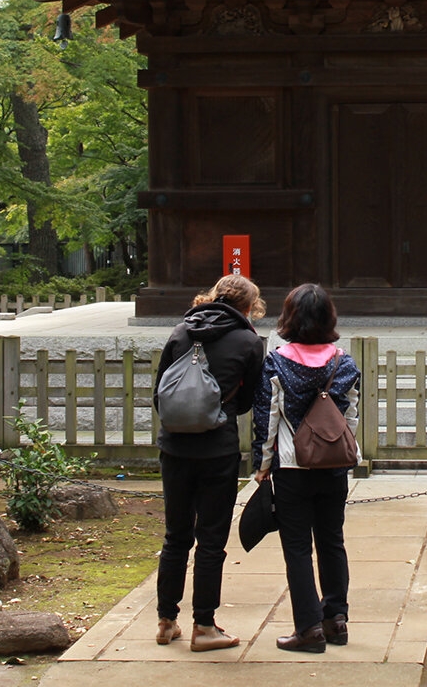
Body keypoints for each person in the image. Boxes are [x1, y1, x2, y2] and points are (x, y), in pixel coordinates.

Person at [154, 273, 265, 652]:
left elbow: (160, 391)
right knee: (211, 539)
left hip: (174, 446)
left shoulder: (181, 331)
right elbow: (249, 398)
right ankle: (204, 625)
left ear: (213, 296)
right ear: (249, 307)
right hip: (217, 447)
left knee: (175, 536)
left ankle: (166, 620)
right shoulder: (249, 341)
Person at [252, 283, 361, 653]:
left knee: (297, 548)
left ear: (289, 317)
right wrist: (345, 452)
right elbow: (350, 415)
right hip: (332, 465)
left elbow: (267, 417)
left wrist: (262, 464)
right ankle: (337, 619)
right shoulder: (343, 361)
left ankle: (309, 629)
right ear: (329, 316)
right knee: (332, 541)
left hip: (291, 466)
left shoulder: (277, 360)